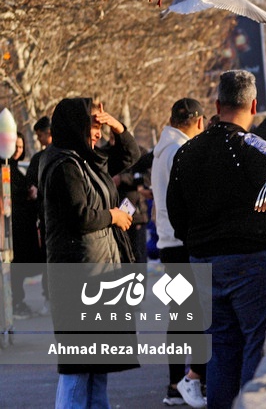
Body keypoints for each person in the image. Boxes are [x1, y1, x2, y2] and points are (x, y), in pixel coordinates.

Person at [166, 70, 266, 409]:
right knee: (256, 345)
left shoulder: (186, 153)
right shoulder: (252, 146)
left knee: (219, 351)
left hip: (203, 264)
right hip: (250, 263)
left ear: (217, 104)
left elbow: (176, 214)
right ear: (254, 104)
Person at [39, 97, 140, 408]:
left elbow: (129, 155)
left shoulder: (84, 161)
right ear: (75, 127)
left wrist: (116, 126)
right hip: (79, 278)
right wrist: (113, 216)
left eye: (99, 125)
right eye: (92, 125)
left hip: (97, 274)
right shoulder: (63, 165)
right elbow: (79, 215)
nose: (97, 133)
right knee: (79, 369)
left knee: (96, 369)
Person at [151, 98, 207, 408]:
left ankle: (175, 384)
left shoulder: (162, 150)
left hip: (167, 242)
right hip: (182, 242)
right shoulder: (180, 151)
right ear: (199, 122)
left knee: (179, 318)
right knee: (196, 317)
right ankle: (191, 381)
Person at [9, 132, 44, 319]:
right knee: (15, 267)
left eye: (21, 147)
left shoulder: (17, 169)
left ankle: (18, 301)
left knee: (20, 267)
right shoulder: (5, 169)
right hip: (12, 229)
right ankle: (15, 303)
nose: (17, 150)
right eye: (15, 146)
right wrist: (27, 194)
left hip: (24, 226)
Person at [26, 116, 52, 308]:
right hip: (45, 217)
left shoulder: (62, 155)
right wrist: (33, 188)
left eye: (40, 135)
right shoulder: (37, 159)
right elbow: (31, 181)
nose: (39, 139)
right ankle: (49, 294)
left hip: (58, 216)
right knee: (47, 258)